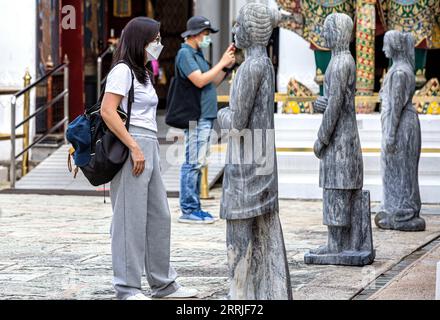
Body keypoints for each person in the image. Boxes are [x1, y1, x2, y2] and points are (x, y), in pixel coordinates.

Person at [100, 17, 198, 300]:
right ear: (139, 41)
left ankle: (163, 284)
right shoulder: (122, 71)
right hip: (132, 145)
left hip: (149, 144)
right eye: (154, 39)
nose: (158, 43)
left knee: (159, 215)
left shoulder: (142, 72)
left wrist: (146, 147)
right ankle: (127, 288)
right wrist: (133, 146)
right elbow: (108, 111)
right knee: (129, 219)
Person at [176, 16, 236, 224]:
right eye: (206, 34)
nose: (207, 38)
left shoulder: (197, 53)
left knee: (199, 161)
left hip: (205, 115)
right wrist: (220, 63)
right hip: (196, 115)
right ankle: (189, 208)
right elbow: (200, 80)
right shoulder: (185, 54)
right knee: (192, 162)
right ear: (195, 34)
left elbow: (212, 81)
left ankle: (195, 207)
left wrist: (226, 67)